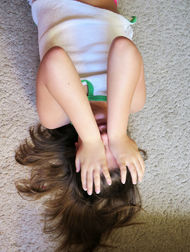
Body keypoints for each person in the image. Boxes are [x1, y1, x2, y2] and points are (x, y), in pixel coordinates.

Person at [15, 0, 148, 251]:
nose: (105, 139)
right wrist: (118, 133)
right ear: (129, 147)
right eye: (115, 149)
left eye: (99, 152)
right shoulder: (132, 100)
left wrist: (91, 139)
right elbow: (123, 48)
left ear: (78, 153)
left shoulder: (57, 115)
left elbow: (55, 60)